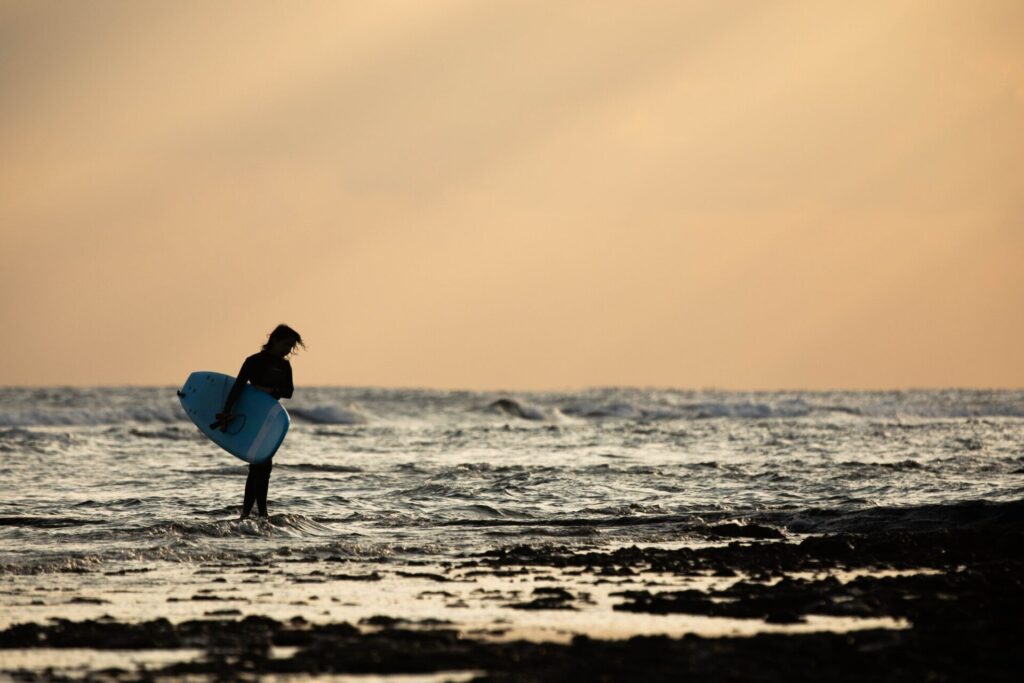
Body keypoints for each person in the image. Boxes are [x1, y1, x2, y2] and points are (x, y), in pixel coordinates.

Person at [214, 324, 305, 519]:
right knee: (260, 464)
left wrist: (268, 391)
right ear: (275, 340)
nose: (289, 350)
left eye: (291, 346)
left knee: (261, 465)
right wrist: (226, 413)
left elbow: (288, 392)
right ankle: (258, 514)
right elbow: (237, 388)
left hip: (269, 418)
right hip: (251, 417)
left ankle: (249, 514)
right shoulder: (254, 361)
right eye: (287, 345)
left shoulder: (284, 365)